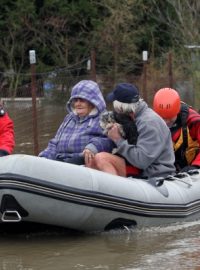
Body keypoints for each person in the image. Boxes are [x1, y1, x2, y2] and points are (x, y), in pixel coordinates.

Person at [89, 82, 176, 179]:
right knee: (91, 160)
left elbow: (141, 161)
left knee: (102, 159)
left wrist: (118, 139)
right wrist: (92, 147)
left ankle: (114, 192)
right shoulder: (129, 117)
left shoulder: (149, 123)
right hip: (139, 165)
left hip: (154, 172)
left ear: (121, 107)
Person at [39, 80, 113, 165]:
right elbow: (55, 142)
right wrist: (44, 156)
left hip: (81, 162)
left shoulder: (104, 118)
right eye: (75, 100)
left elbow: (109, 141)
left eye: (82, 100)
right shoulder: (69, 118)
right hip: (60, 159)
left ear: (92, 102)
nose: (77, 104)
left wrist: (93, 147)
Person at [153, 87, 200, 172]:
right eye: (162, 119)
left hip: (192, 170)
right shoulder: (150, 121)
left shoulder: (194, 120)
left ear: (177, 111)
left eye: (170, 118)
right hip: (167, 170)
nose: (166, 122)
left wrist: (196, 166)